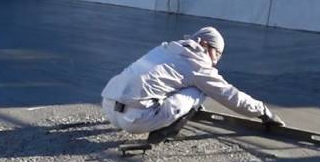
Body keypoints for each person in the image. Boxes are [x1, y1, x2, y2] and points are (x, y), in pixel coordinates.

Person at [101, 26, 284, 144]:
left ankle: (180, 111)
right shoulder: (198, 64)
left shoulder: (166, 48)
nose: (216, 61)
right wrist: (263, 112)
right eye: (217, 54)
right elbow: (229, 95)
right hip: (137, 121)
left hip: (110, 107)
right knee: (199, 88)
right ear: (205, 44)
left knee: (173, 82)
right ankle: (165, 131)